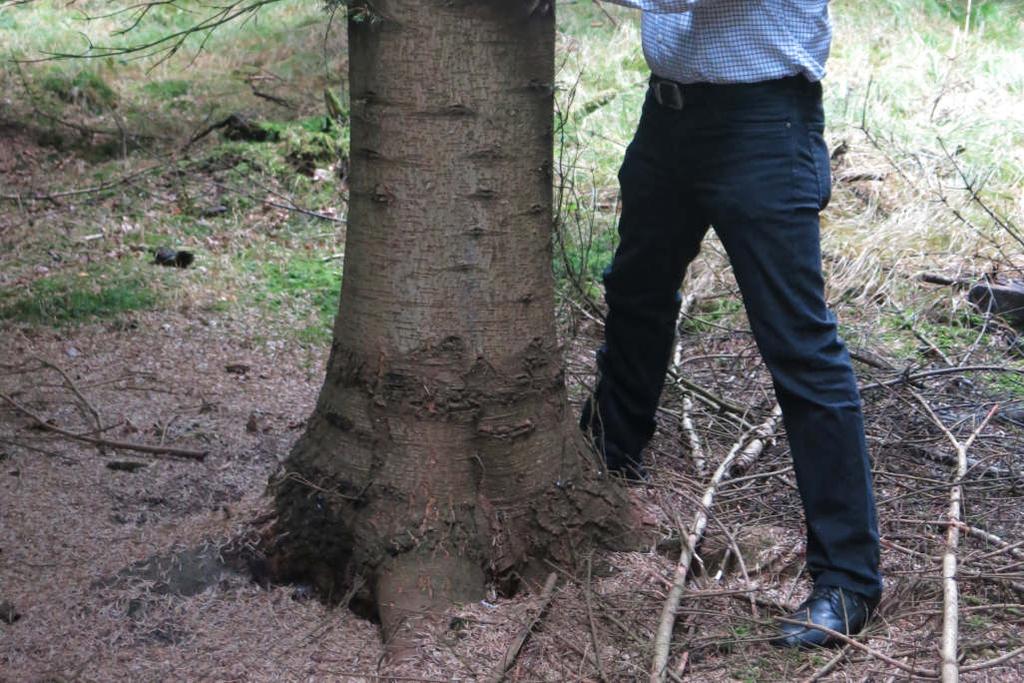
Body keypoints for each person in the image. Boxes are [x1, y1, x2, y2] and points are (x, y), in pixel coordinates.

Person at [580, 0, 882, 647]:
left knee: (799, 343)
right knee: (635, 296)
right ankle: (607, 469)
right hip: (667, 117)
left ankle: (848, 580)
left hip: (764, 124)